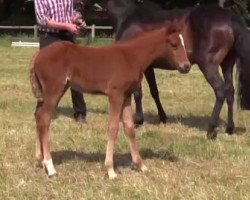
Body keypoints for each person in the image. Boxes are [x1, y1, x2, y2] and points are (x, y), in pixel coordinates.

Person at [34, 0, 87, 123]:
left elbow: (72, 11)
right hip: (49, 36)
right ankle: (41, 108)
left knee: (75, 74)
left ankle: (80, 113)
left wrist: (76, 18)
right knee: (47, 75)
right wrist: (67, 25)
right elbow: (43, 20)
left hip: (67, 36)